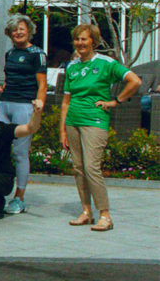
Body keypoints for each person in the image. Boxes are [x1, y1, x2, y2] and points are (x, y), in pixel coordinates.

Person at [59, 24, 141, 232]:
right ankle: (86, 211)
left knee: (91, 167)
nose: (80, 43)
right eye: (77, 39)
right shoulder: (72, 66)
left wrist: (116, 101)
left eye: (84, 39)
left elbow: (134, 81)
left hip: (95, 120)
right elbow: (66, 101)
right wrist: (62, 130)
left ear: (93, 41)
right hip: (73, 121)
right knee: (78, 168)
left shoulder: (106, 63)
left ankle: (105, 215)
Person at [0, 14, 47, 215]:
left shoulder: (37, 53)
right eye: (14, 30)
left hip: (24, 105)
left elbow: (42, 84)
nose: (18, 32)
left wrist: (39, 104)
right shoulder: (10, 53)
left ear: (29, 31)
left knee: (20, 153)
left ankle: (19, 198)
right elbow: (9, 78)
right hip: (5, 103)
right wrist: (1, 89)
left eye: (21, 29)